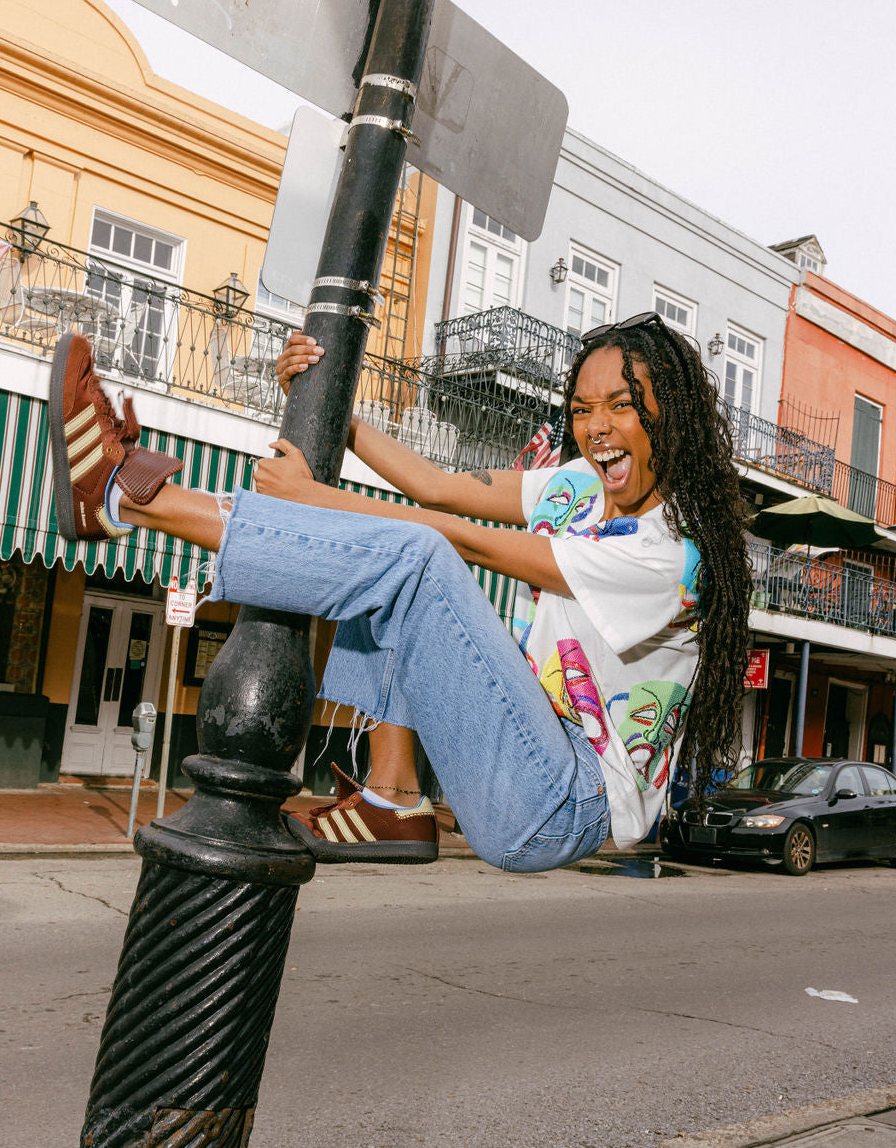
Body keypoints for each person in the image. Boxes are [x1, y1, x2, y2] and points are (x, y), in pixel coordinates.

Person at [47, 312, 751, 871]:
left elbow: (462, 540)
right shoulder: (580, 488)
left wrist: (318, 496)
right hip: (526, 740)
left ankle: (126, 497)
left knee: (419, 560)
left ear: (674, 415)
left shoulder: (674, 558)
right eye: (581, 408)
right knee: (404, 571)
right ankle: (395, 794)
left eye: (622, 405)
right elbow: (436, 486)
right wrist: (329, 414)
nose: (596, 428)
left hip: (565, 798)